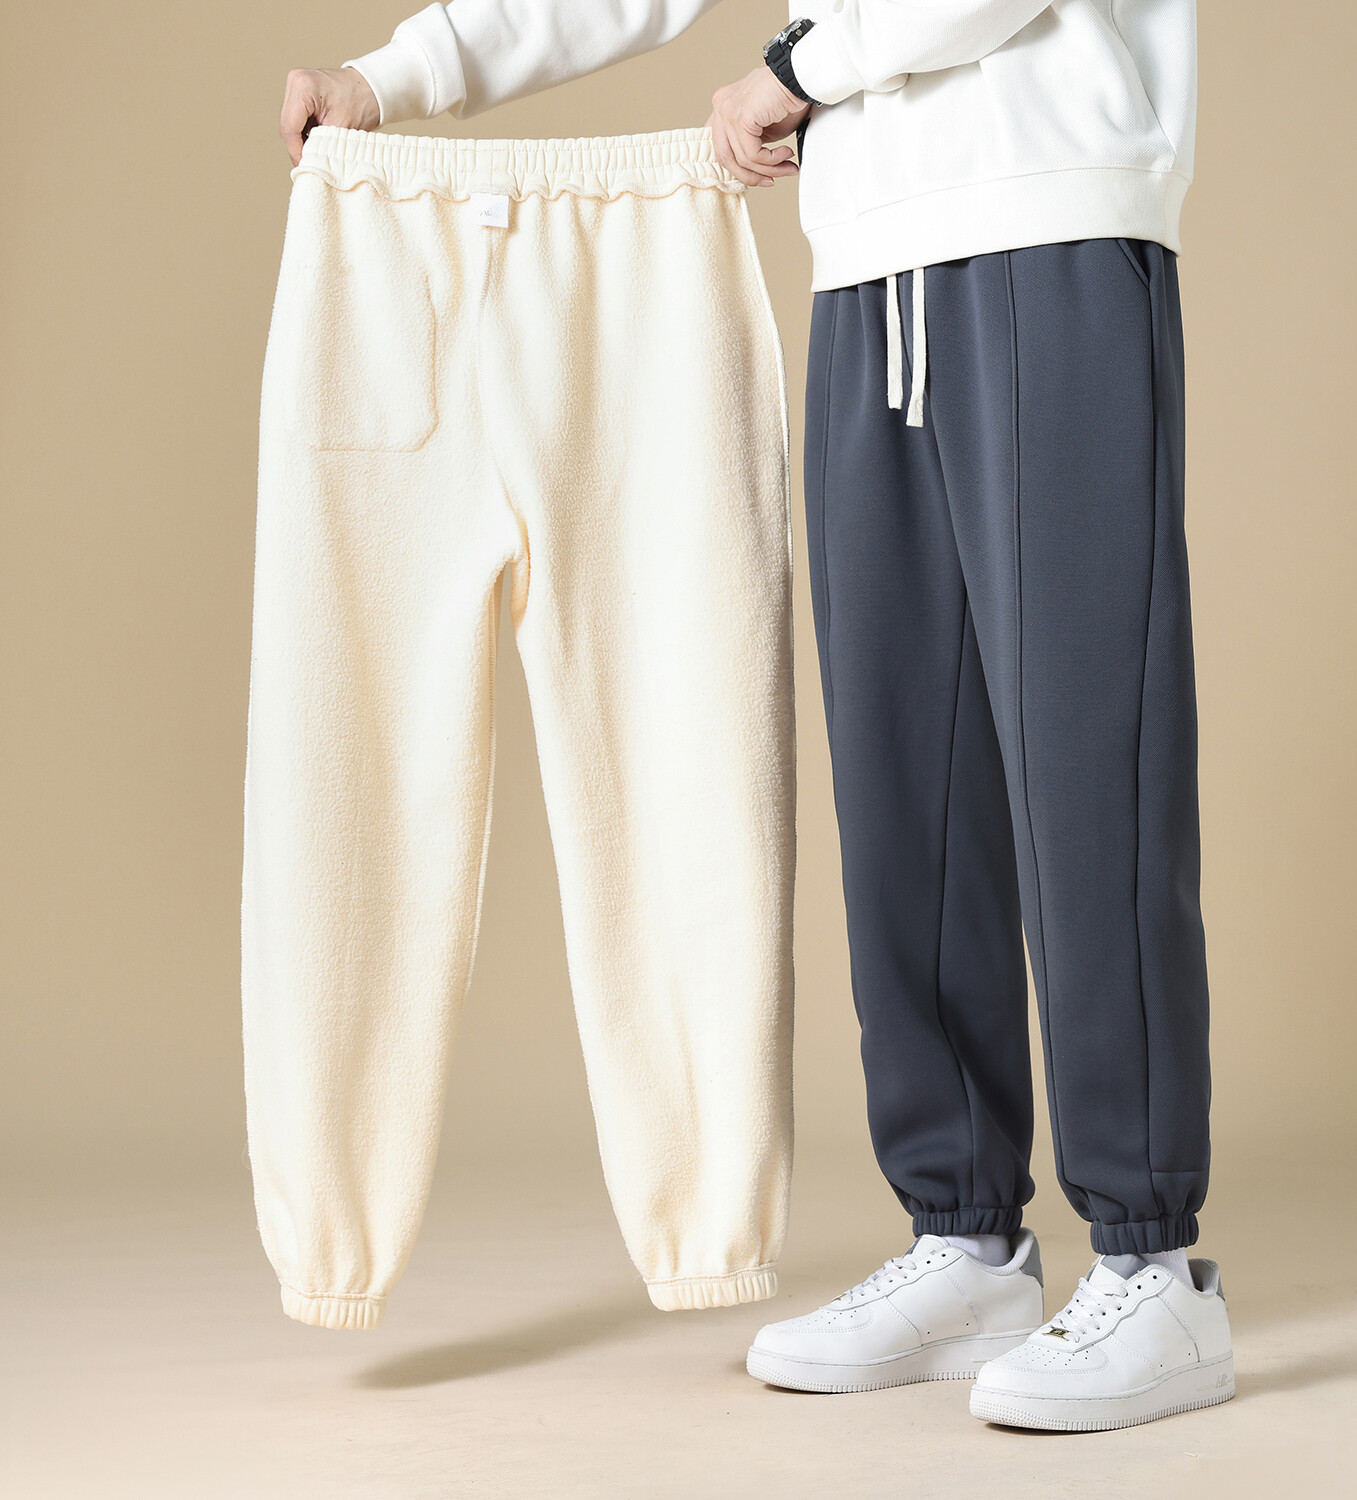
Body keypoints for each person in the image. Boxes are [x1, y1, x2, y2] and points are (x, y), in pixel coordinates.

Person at [280, 0, 1233, 1432]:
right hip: (869, 267)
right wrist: (397, 75)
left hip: (1051, 222)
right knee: (906, 779)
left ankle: (1155, 1268)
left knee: (1091, 760)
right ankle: (966, 1236)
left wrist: (801, 68)